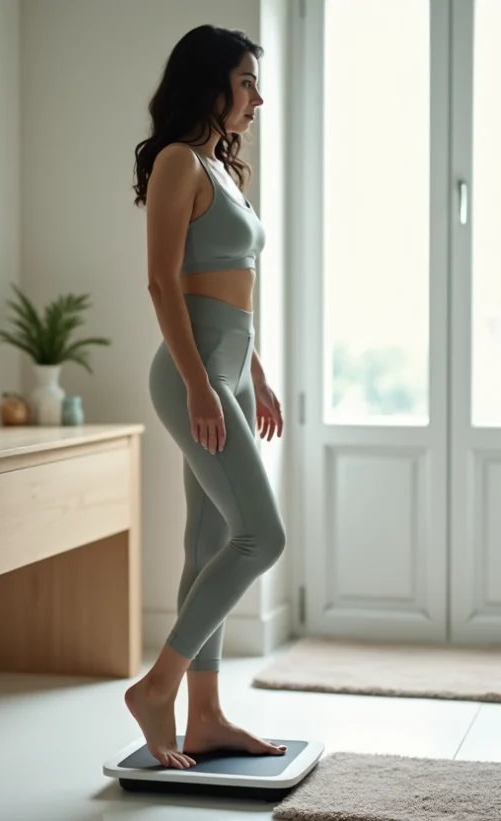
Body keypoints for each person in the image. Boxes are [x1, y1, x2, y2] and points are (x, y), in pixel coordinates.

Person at [126, 25, 288, 770]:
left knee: (208, 543)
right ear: (210, 82)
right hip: (191, 373)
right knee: (262, 535)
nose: (258, 97)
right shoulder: (176, 163)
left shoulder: (226, 170)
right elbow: (164, 281)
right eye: (247, 80)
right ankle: (157, 687)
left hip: (225, 369)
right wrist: (199, 383)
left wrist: (254, 374)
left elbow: (236, 290)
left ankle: (208, 715)